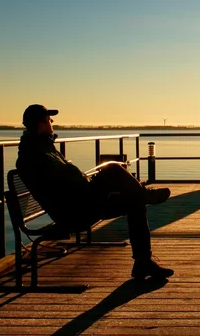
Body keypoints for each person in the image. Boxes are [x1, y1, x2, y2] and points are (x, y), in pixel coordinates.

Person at [16, 104, 174, 279]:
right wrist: (89, 182)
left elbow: (67, 179)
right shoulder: (34, 156)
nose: (52, 121)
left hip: (82, 201)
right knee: (113, 169)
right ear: (40, 125)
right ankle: (146, 195)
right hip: (74, 212)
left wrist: (86, 181)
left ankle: (143, 262)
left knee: (134, 201)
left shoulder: (44, 149)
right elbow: (63, 185)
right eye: (48, 119)